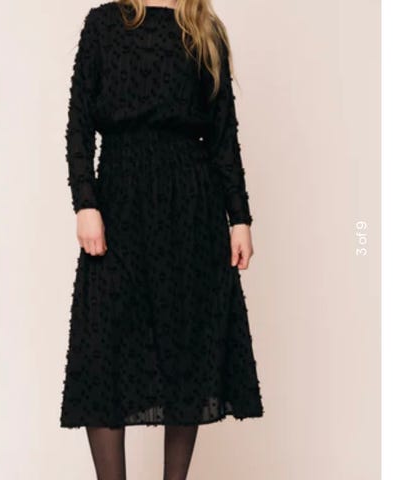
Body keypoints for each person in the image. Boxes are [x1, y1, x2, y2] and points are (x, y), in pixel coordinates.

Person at [59, 1, 264, 478]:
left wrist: (239, 218)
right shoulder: (104, 24)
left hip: (191, 208)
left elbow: (223, 135)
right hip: (118, 201)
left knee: (185, 349)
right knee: (102, 351)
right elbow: (78, 124)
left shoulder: (204, 30)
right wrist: (85, 203)